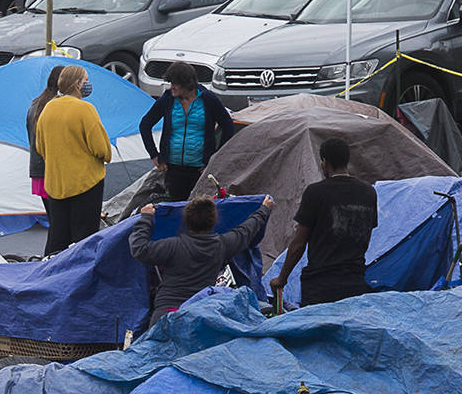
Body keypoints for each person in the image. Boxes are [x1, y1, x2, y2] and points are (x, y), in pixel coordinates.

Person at [130, 195, 273, 330]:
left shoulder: (172, 246)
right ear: (214, 221)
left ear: (185, 221)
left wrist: (146, 218)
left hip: (166, 313)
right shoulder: (222, 245)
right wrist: (264, 209)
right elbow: (246, 230)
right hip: (199, 314)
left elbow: (139, 248)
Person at [269, 137, 377, 308]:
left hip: (319, 285)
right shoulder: (369, 193)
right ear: (346, 161)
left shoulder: (316, 192)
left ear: (325, 162)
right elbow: (365, 237)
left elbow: (299, 243)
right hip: (355, 283)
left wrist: (281, 279)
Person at [34, 65, 112, 258]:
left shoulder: (48, 108)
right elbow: (102, 149)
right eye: (86, 80)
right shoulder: (85, 109)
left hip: (56, 185)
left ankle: (51, 273)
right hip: (85, 183)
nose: (88, 84)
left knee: (58, 238)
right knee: (84, 239)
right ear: (77, 83)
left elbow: (40, 147)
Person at [139, 61, 237, 202]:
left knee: (199, 211)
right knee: (176, 208)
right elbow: (145, 124)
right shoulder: (168, 99)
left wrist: (215, 158)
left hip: (200, 169)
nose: (171, 87)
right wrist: (154, 155)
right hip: (173, 169)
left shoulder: (208, 99)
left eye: (175, 83)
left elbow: (228, 126)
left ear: (186, 83)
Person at [24, 67, 66, 222]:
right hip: (54, 171)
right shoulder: (56, 106)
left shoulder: (36, 103)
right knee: (61, 221)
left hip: (38, 169)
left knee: (54, 219)